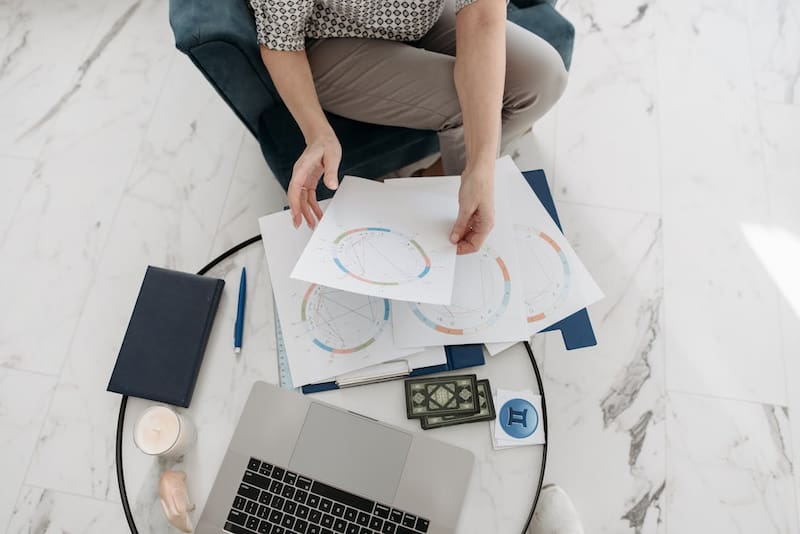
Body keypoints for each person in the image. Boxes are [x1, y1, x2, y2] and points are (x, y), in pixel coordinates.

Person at [249, 0, 568, 255]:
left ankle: (438, 177)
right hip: (329, 39)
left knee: (544, 77)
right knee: (465, 105)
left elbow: (484, 16)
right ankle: (449, 237)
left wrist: (481, 167)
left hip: (419, 17)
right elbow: (282, 41)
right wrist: (317, 132)